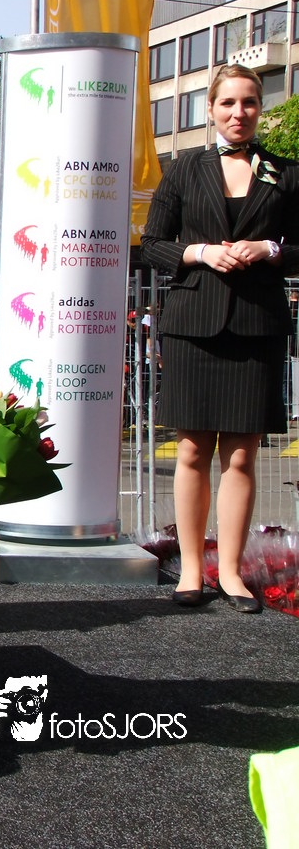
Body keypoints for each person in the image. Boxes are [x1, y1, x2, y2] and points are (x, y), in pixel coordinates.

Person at [141, 64, 299, 614]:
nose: (239, 112)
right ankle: (190, 568)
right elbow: (152, 244)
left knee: (241, 457)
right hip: (194, 326)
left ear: (260, 108)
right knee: (191, 450)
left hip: (257, 326)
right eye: (228, 103)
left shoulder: (286, 173)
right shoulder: (184, 168)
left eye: (249, 102)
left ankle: (230, 572)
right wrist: (202, 252)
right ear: (209, 109)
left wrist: (269, 250)